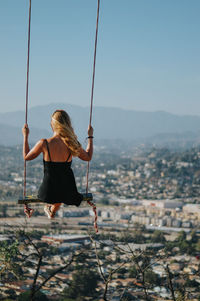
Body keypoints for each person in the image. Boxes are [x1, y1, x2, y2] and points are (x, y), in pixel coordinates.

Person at [22, 109, 93, 219]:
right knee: (61, 195)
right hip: (68, 191)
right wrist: (90, 137)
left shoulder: (44, 143)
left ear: (52, 124)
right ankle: (51, 211)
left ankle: (50, 210)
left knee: (56, 195)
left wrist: (25, 136)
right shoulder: (72, 143)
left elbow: (26, 156)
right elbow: (88, 157)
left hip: (47, 191)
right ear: (67, 124)